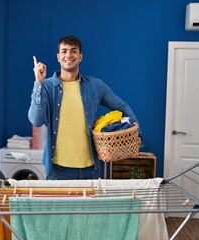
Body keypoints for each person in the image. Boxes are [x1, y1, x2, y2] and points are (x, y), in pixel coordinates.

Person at [28, 35, 141, 180]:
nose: (68, 55)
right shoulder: (47, 86)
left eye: (73, 51)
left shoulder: (95, 85)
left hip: (90, 169)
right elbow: (36, 120)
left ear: (80, 56)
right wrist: (38, 83)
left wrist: (137, 133)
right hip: (58, 170)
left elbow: (121, 106)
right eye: (64, 51)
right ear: (58, 56)